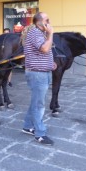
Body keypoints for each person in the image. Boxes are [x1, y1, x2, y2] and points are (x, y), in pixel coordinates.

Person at [22, 12, 55, 145]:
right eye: (47, 19)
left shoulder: (41, 34)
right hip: (37, 74)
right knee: (39, 105)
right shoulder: (35, 33)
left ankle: (27, 126)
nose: (49, 21)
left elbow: (43, 52)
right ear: (39, 22)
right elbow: (45, 49)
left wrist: (50, 63)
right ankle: (40, 134)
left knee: (36, 102)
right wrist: (51, 33)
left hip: (43, 72)